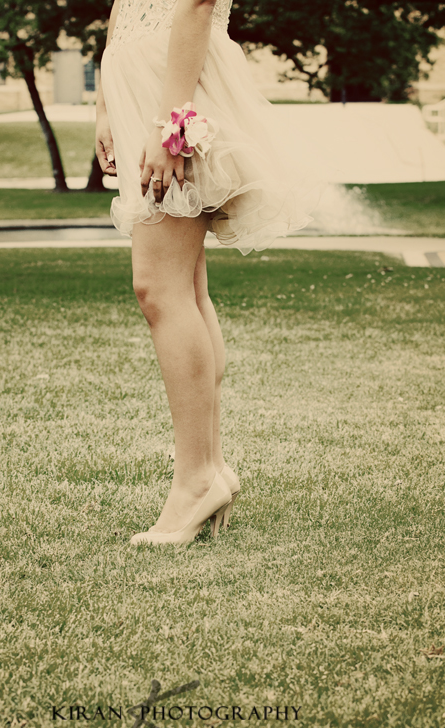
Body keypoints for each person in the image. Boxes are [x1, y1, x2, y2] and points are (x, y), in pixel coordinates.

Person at [95, 0, 318, 546]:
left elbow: (195, 3)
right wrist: (105, 105)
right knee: (187, 287)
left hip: (173, 85)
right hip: (146, 83)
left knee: (160, 288)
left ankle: (196, 480)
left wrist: (170, 124)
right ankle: (210, 468)